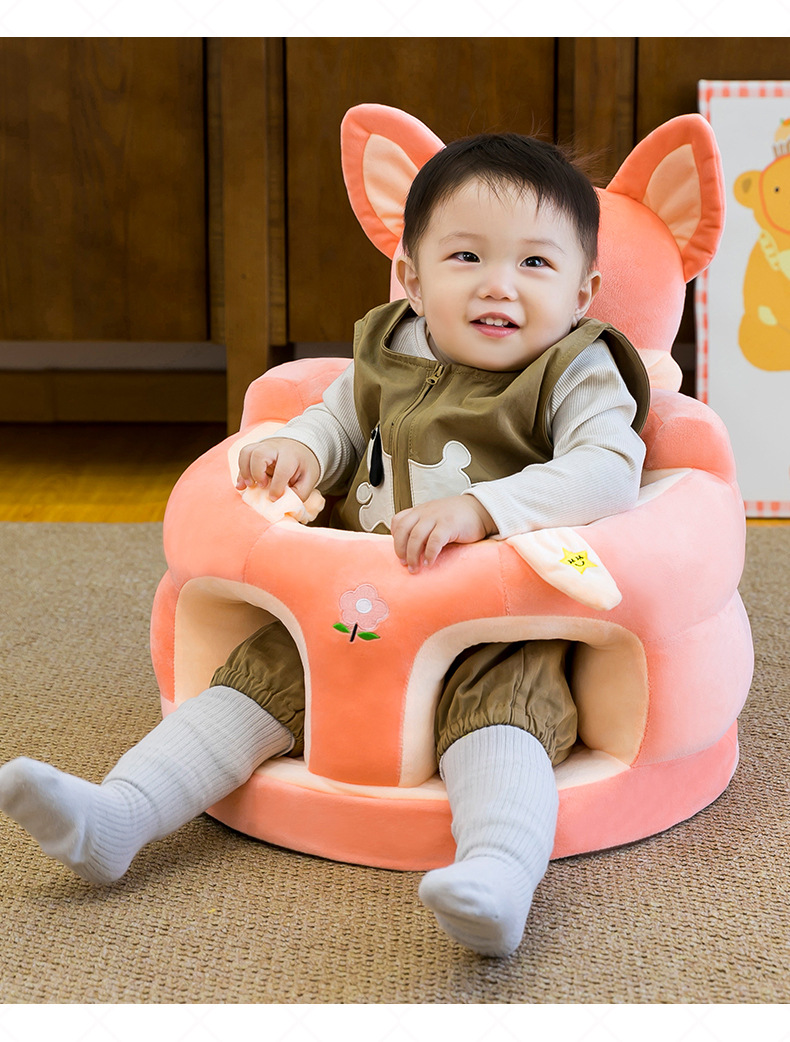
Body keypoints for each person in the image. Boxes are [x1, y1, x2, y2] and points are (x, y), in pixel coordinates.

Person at [0, 131, 650, 958]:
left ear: (582, 292)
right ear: (413, 279)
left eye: (535, 263)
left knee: (503, 724)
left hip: (494, 626)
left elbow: (608, 470)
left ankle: (497, 876)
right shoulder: (389, 348)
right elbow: (337, 424)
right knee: (253, 687)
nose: (499, 284)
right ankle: (118, 817)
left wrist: (483, 509)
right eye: (465, 257)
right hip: (357, 608)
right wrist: (300, 450)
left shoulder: (574, 368)